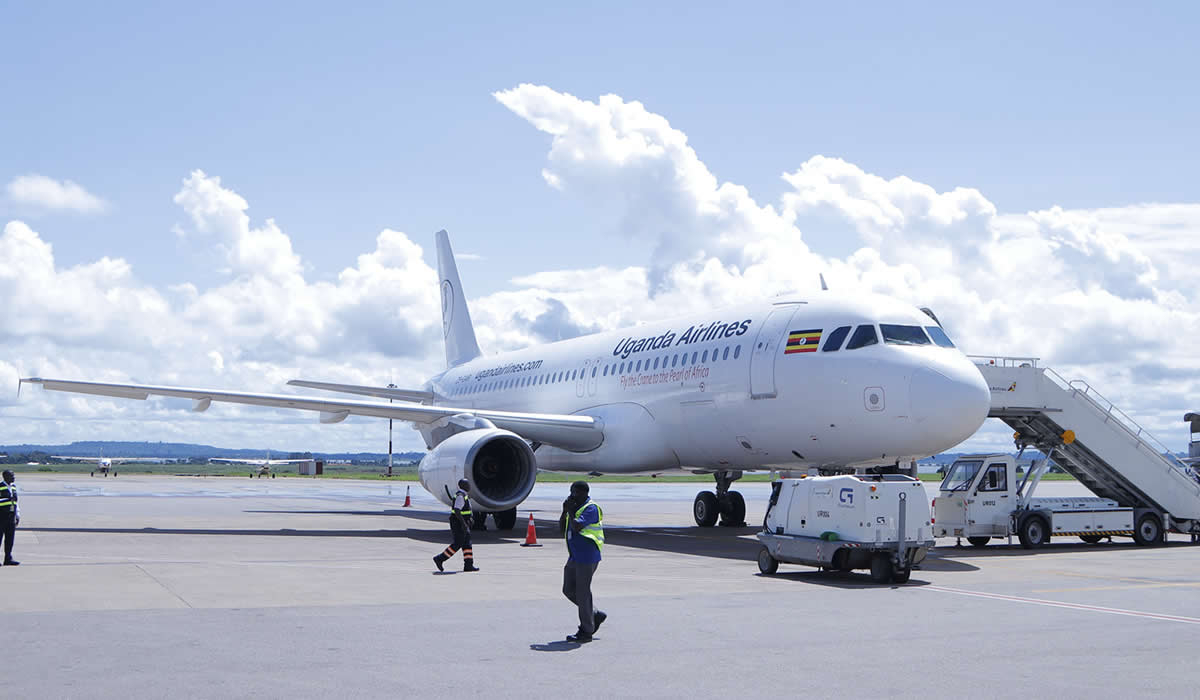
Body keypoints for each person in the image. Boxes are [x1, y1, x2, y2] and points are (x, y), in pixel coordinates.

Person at [560, 481, 606, 642]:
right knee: (568, 589)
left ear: (585, 493)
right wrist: (564, 511)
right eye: (572, 492)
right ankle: (593, 614)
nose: (573, 496)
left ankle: (586, 630)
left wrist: (571, 512)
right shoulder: (575, 509)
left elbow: (578, 526)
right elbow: (562, 529)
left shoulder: (591, 508)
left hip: (587, 555)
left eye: (577, 493)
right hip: (575, 555)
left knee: (582, 591)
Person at [433, 479, 479, 572]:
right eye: (468, 484)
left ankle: (468, 565)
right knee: (458, 543)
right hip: (458, 524)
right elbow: (457, 510)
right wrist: (464, 524)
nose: (470, 486)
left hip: (463, 523)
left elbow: (465, 511)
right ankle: (440, 558)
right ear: (463, 485)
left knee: (467, 544)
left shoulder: (464, 495)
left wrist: (469, 519)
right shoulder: (460, 496)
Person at [1, 470, 18, 566]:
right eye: (11, 475)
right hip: (1, 516)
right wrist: (7, 499)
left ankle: (8, 558)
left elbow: (16, 502)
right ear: (5, 477)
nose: (13, 477)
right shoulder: (0, 487)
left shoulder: (13, 487)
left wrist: (17, 515)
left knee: (10, 539)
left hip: (11, 516)